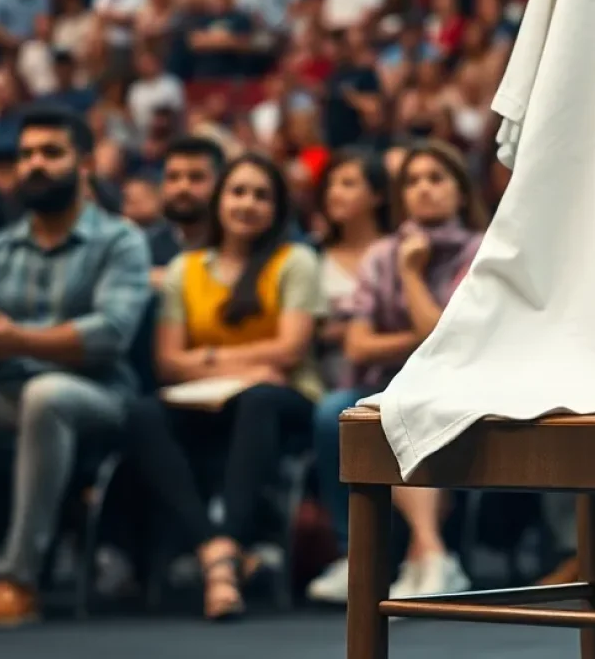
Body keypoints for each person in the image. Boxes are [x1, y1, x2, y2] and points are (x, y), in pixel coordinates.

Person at [122, 153, 323, 620]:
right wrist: (239, 365)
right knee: (141, 412)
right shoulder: (184, 269)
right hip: (204, 403)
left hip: (283, 402)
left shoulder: (296, 260)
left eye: (261, 195)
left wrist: (208, 361)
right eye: (237, 192)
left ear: (276, 208)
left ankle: (222, 553)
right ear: (219, 201)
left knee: (257, 400)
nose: (247, 203)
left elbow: (290, 352)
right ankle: (216, 551)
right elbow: (167, 363)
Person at [0, 106, 151, 626]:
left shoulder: (119, 240)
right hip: (7, 391)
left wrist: (18, 339)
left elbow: (110, 335)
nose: (36, 164)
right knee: (35, 395)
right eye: (27, 154)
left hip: (98, 393)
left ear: (83, 165)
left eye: (51, 153)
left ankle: (19, 579)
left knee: (49, 396)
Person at [308, 141, 485, 603]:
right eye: (412, 181)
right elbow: (358, 344)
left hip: (458, 386)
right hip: (383, 383)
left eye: (436, 179)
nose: (424, 189)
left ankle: (417, 553)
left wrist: (411, 272)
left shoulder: (481, 253)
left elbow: (450, 344)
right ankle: (388, 555)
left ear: (461, 193)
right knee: (333, 411)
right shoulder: (380, 254)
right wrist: (420, 337)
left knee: (408, 408)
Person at [311, 150, 391, 389]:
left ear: (377, 195)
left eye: (348, 184)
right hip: (326, 373)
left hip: (390, 369)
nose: (334, 194)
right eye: (330, 185)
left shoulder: (399, 250)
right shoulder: (313, 254)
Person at [147, 136, 226, 282]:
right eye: (173, 177)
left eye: (196, 177)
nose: (183, 187)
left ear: (221, 184)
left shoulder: (236, 246)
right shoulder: (145, 247)